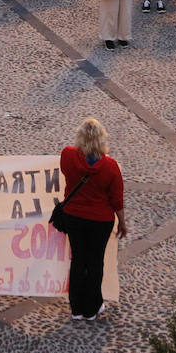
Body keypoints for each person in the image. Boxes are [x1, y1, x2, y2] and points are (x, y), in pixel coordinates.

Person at [60, 117, 127, 321]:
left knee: (78, 259)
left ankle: (76, 308)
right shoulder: (110, 166)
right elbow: (117, 199)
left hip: (74, 217)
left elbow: (65, 172)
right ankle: (92, 307)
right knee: (95, 261)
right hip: (100, 221)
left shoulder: (68, 155)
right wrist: (123, 223)